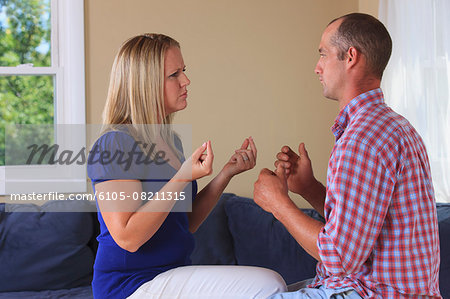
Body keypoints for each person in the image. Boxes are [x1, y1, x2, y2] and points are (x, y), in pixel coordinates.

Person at [253, 13, 441, 298]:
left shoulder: (362, 138)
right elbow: (362, 226)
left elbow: (340, 257)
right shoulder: (395, 127)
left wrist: (278, 203)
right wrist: (309, 188)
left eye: (323, 54)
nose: (317, 67)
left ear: (350, 57)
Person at [87, 34, 287, 299]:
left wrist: (226, 173)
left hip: (171, 274)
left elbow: (184, 224)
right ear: (147, 84)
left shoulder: (171, 141)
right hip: (130, 286)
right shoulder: (116, 143)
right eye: (175, 74)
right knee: (269, 284)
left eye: (184, 71)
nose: (186, 81)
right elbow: (127, 238)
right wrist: (182, 177)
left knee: (270, 283)